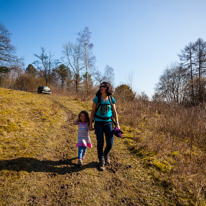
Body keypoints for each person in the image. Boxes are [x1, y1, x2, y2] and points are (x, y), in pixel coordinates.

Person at [89, 82, 120, 171]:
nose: (101, 88)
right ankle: (101, 160)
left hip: (109, 123)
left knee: (110, 142)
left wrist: (117, 123)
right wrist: (90, 124)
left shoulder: (111, 99)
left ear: (108, 88)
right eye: (101, 86)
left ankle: (106, 154)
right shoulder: (97, 99)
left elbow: (114, 112)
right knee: (100, 142)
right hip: (98, 123)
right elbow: (92, 112)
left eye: (104, 86)